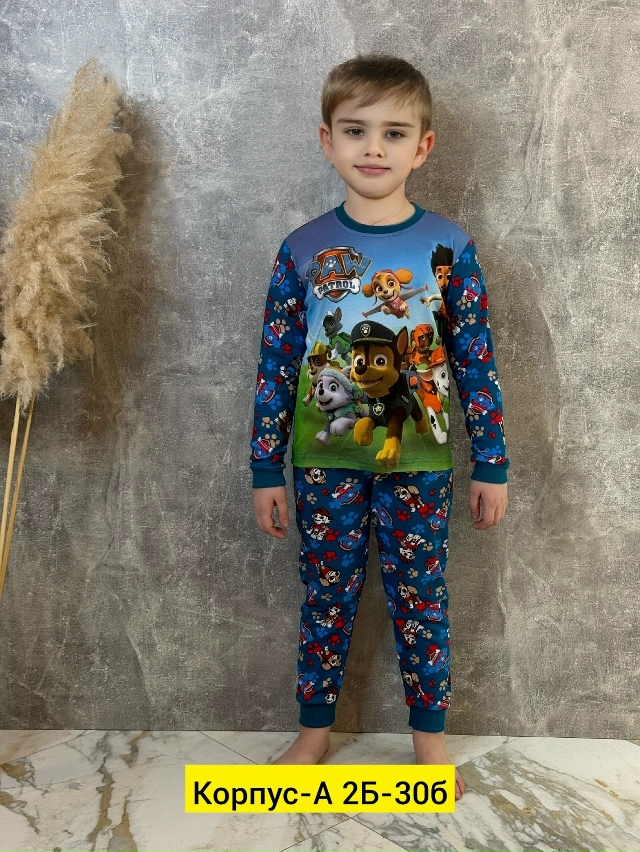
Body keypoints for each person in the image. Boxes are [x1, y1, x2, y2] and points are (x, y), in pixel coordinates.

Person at [249, 54, 510, 801]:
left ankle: (431, 747)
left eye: (394, 133)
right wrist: (266, 469)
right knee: (325, 598)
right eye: (355, 130)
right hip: (322, 461)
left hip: (420, 463)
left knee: (420, 596)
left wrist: (491, 461)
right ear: (326, 139)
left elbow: (476, 360)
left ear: (422, 147)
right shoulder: (301, 250)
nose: (373, 147)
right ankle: (314, 735)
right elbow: (275, 367)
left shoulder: (449, 248)